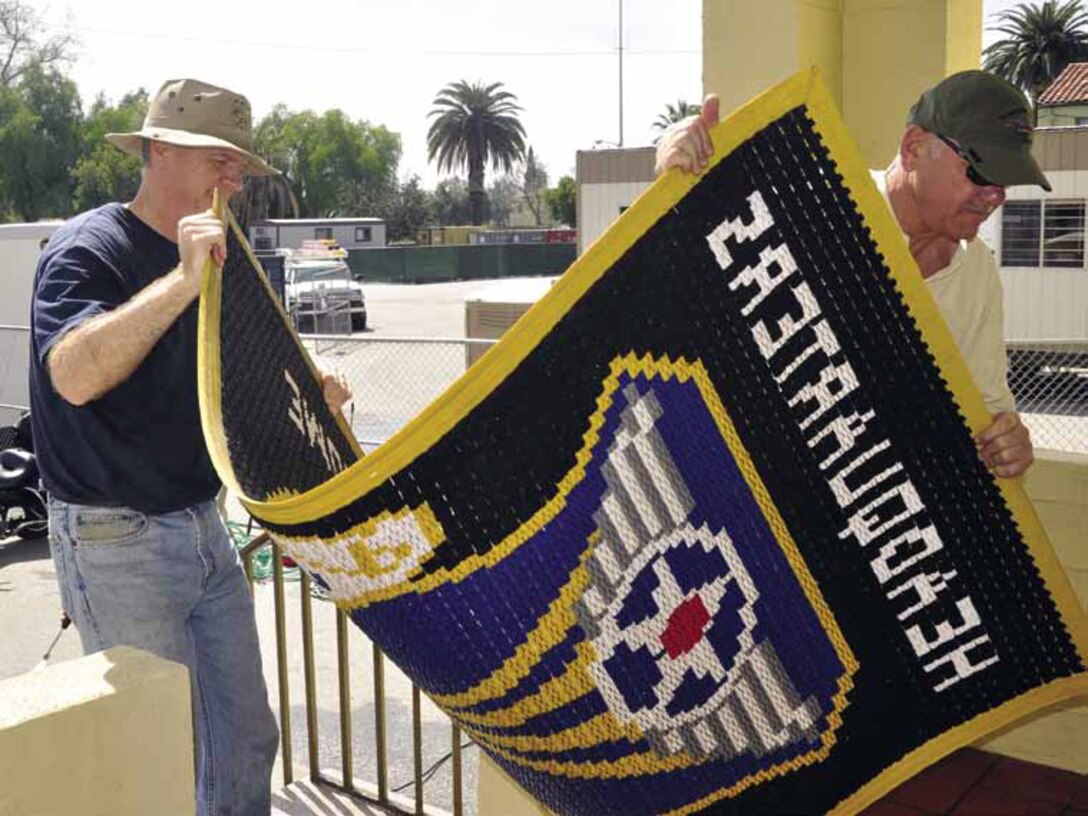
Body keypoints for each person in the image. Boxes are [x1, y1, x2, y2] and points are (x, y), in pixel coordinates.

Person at [29, 78, 350, 816]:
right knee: (159, 754)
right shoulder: (90, 247)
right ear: (160, 148)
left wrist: (312, 387)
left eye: (240, 165)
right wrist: (180, 280)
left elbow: (245, 376)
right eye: (221, 160)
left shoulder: (224, 254)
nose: (235, 179)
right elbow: (73, 376)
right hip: (115, 536)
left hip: (202, 526)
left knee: (244, 739)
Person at [656, 70, 1040, 479]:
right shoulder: (812, 206)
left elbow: (988, 411)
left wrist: (1009, 442)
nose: (996, 195)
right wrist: (676, 177)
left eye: (1007, 180)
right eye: (981, 173)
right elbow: (684, 297)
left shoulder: (978, 273)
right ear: (914, 147)